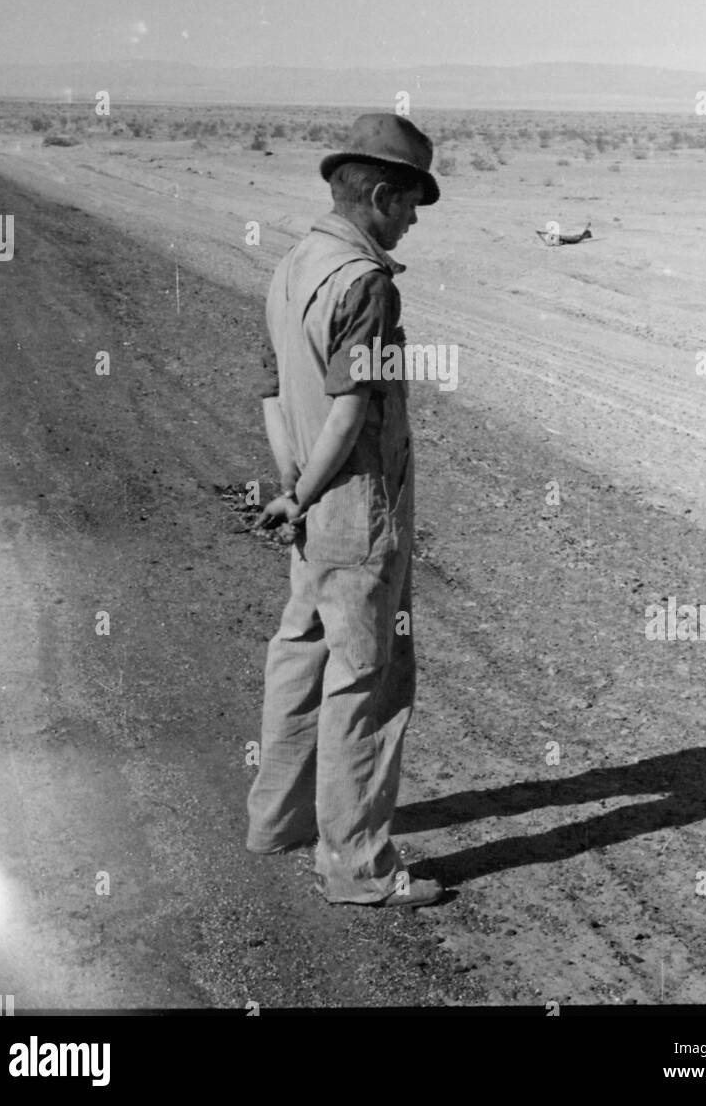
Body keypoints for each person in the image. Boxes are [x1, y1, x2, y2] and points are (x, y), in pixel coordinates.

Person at [246, 113, 444, 907]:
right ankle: (357, 866)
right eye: (411, 203)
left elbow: (269, 391)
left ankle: (277, 820)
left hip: (308, 501)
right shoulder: (366, 284)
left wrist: (291, 485)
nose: (413, 220)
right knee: (368, 676)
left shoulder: (293, 265)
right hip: (353, 506)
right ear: (382, 195)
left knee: (299, 654)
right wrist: (310, 490)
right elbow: (350, 409)